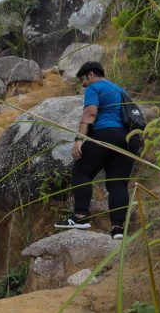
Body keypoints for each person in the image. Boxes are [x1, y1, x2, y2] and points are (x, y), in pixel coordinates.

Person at [57, 60, 134, 238]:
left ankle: (80, 217)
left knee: (81, 170)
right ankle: (118, 229)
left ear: (91, 75)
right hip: (126, 139)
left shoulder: (94, 87)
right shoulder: (120, 90)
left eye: (83, 80)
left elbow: (90, 113)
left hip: (105, 134)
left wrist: (79, 140)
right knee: (117, 183)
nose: (83, 85)